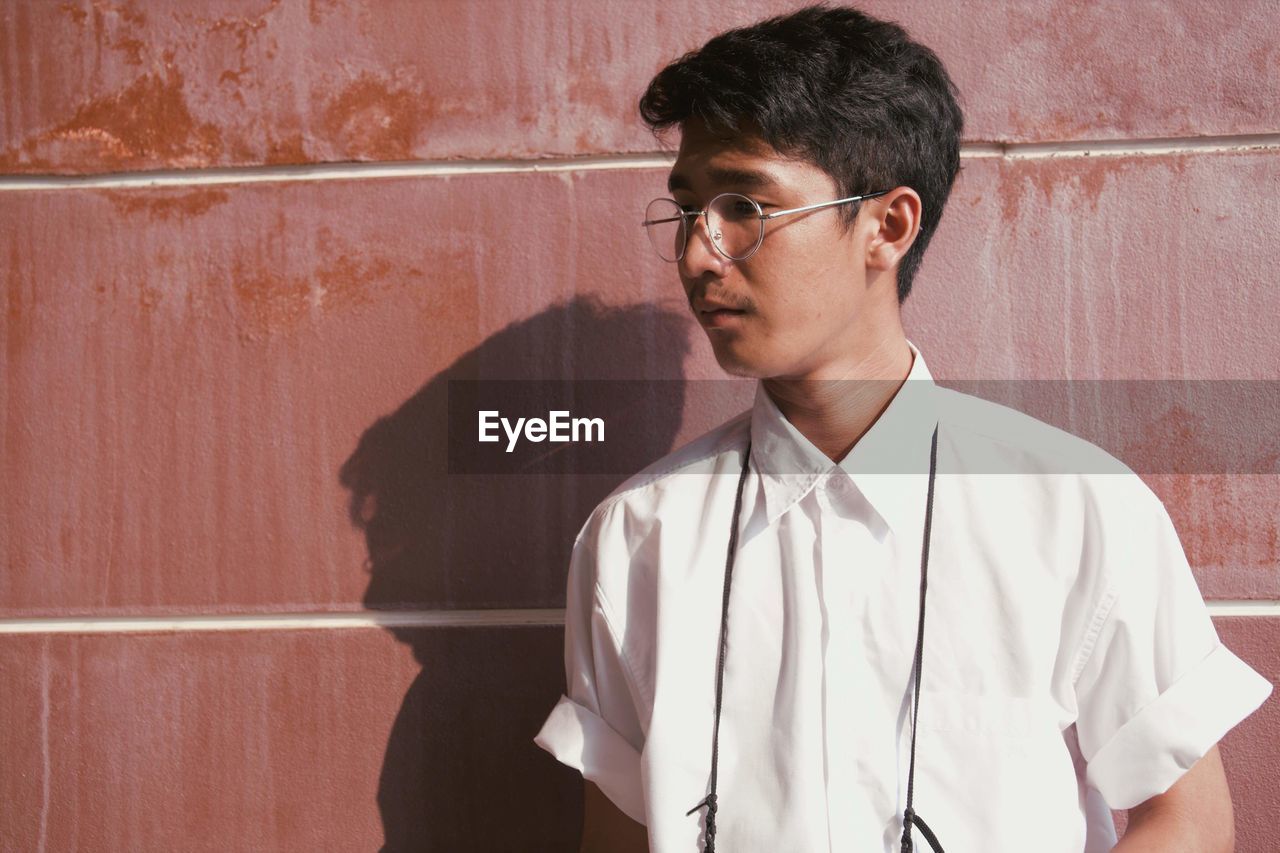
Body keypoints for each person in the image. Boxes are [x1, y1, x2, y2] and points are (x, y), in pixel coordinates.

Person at [534, 5, 1272, 852]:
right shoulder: (635, 538)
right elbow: (617, 835)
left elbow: (1190, 819)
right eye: (689, 207)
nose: (701, 253)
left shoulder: (1076, 507)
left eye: (745, 204)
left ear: (888, 225)